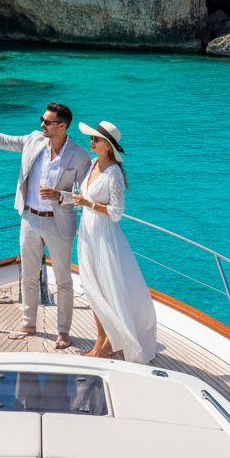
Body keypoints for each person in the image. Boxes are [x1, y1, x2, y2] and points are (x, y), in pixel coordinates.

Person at [0, 103, 90, 349]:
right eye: (42, 120)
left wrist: (60, 196)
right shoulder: (34, 140)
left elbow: (85, 194)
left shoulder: (79, 155)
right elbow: (5, 140)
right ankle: (28, 323)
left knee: (63, 280)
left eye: (47, 122)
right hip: (29, 219)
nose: (41, 125)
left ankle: (63, 331)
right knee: (28, 275)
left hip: (59, 223)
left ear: (62, 126)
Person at [72, 120, 157, 363]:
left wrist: (88, 204)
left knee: (105, 288)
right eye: (92, 139)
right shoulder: (92, 166)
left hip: (105, 236)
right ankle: (103, 340)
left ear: (107, 146)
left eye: (96, 140)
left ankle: (105, 343)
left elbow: (117, 212)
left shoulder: (114, 174)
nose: (91, 143)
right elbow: (85, 197)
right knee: (92, 287)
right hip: (88, 231)